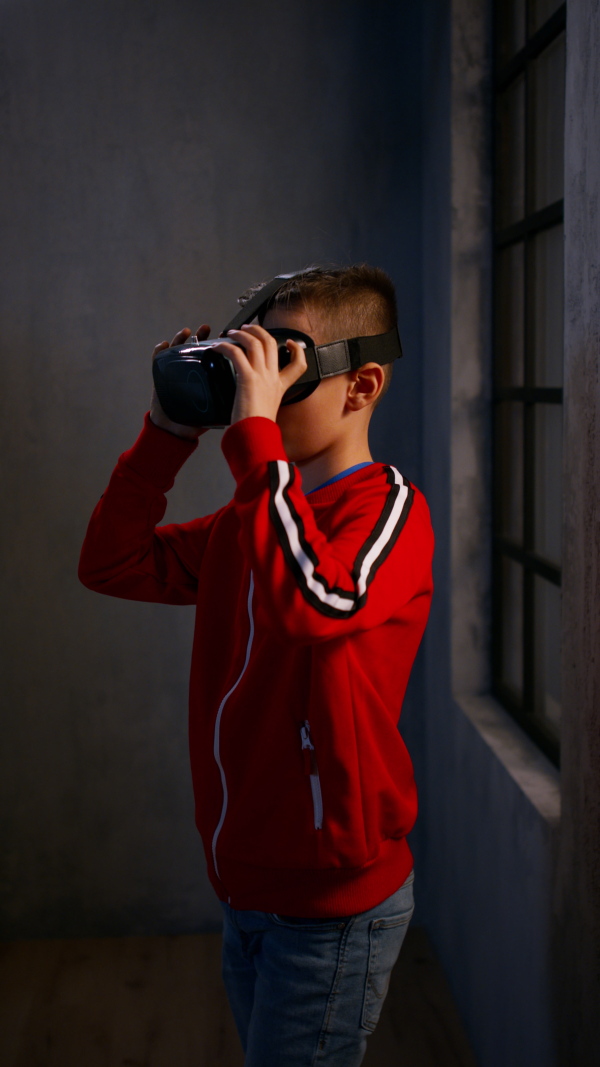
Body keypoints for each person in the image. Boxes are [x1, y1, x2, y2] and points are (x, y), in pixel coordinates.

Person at [79, 264, 434, 1066]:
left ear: (360, 383)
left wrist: (254, 447)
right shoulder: (254, 519)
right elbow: (111, 562)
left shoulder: (392, 515)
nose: (257, 392)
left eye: (286, 368)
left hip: (333, 908)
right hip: (245, 891)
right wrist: (166, 435)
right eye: (253, 362)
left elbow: (317, 602)